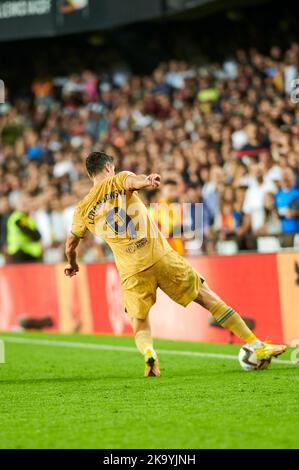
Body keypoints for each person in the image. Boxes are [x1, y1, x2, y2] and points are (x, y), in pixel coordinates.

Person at [64, 152, 286, 377]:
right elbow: (133, 181)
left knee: (139, 322)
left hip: (131, 270)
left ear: (88, 173)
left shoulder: (82, 210)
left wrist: (72, 264)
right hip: (161, 256)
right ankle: (256, 345)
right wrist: (147, 180)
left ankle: (149, 352)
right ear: (109, 166)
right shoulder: (119, 179)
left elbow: (71, 243)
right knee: (207, 297)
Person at [6, 194, 43, 264]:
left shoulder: (28, 218)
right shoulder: (17, 218)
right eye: (23, 204)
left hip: (31, 252)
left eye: (27, 204)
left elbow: (38, 235)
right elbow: (31, 234)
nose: (26, 206)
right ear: (16, 205)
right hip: (19, 252)